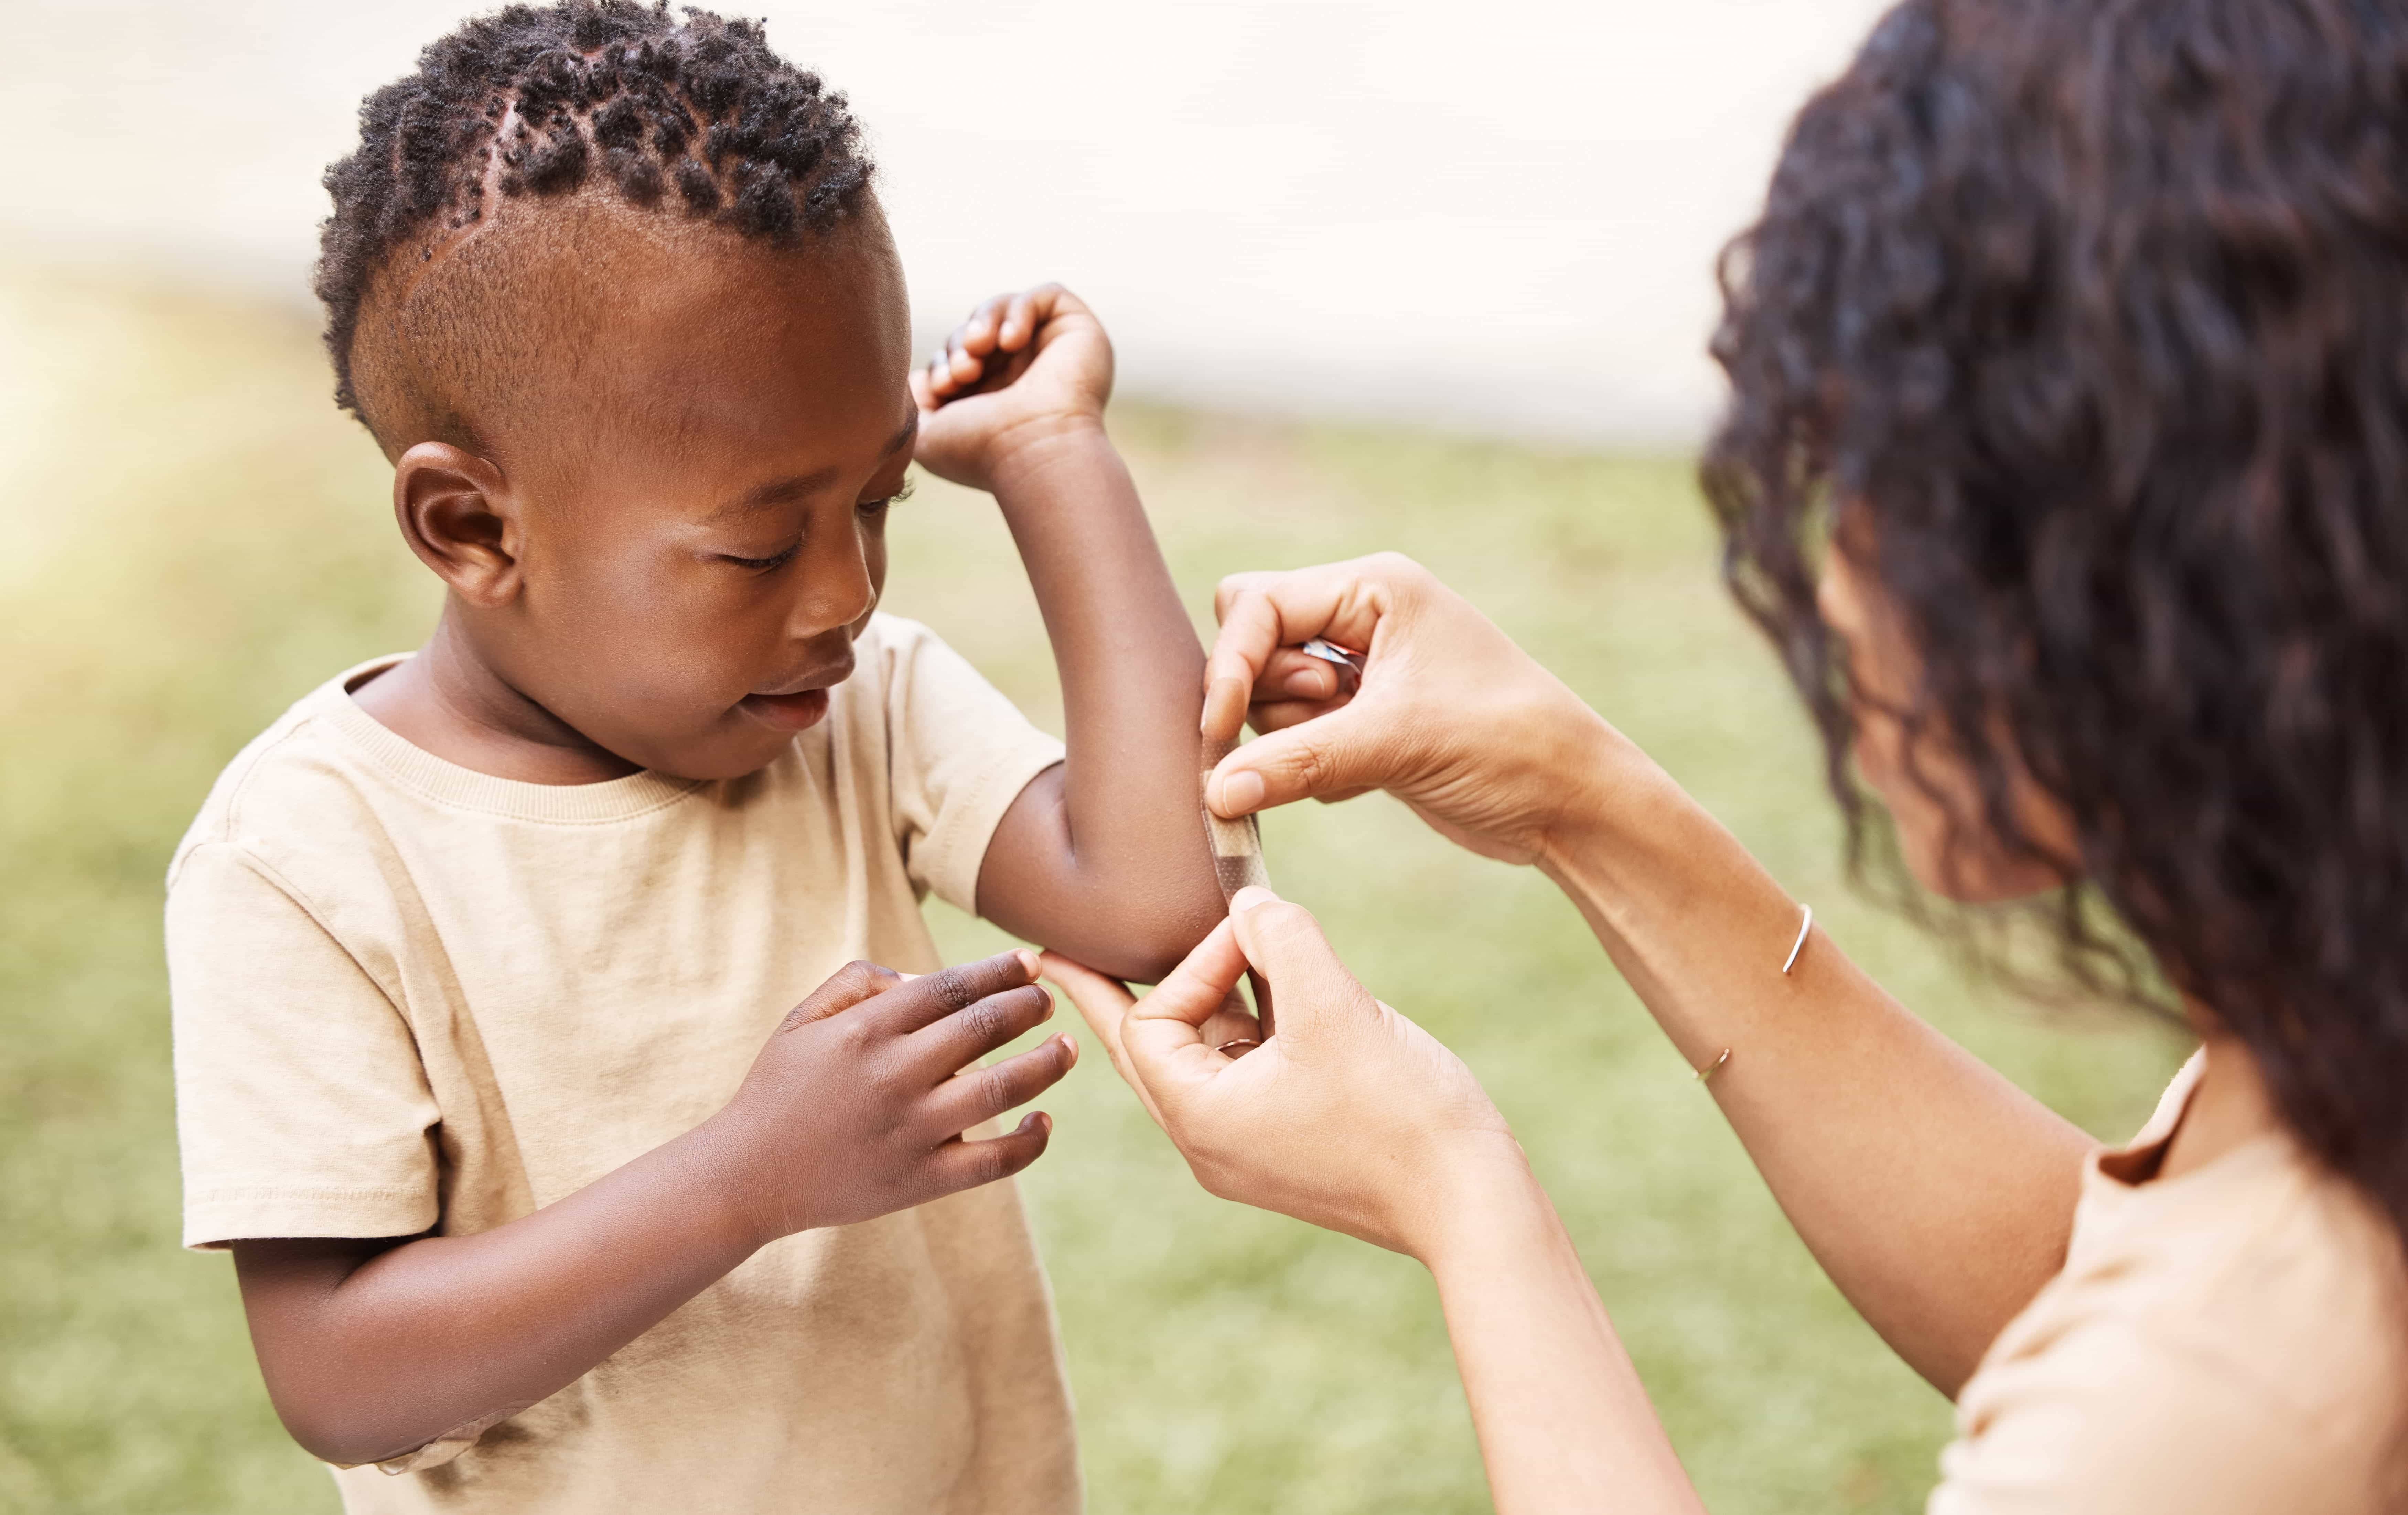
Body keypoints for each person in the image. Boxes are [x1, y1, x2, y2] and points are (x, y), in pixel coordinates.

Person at [1046, 0, 2408, 1509]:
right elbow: (2087, 1290)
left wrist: (1454, 1184)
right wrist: (1576, 795)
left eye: (1880, 497)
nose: (1835, 589)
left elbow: (2163, 1398)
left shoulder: (2222, 1404)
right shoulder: (2332, 1076)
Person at [163, 3, 1223, 1510]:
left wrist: (1055, 460)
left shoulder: (862, 711)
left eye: (880, 501)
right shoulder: (311, 859)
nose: (848, 593)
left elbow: (1153, 904)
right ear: (474, 530)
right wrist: (746, 1179)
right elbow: (340, 1378)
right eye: (759, 547)